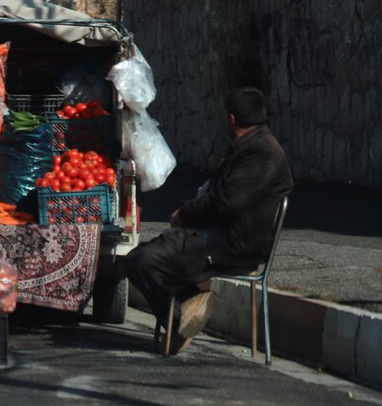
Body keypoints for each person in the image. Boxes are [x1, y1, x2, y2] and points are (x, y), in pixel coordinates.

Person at [124, 86, 293, 355]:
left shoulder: (263, 153)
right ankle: (186, 309)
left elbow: (227, 202)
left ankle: (182, 314)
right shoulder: (252, 147)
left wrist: (186, 213)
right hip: (216, 237)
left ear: (232, 118)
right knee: (136, 258)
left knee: (144, 261)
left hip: (230, 245)